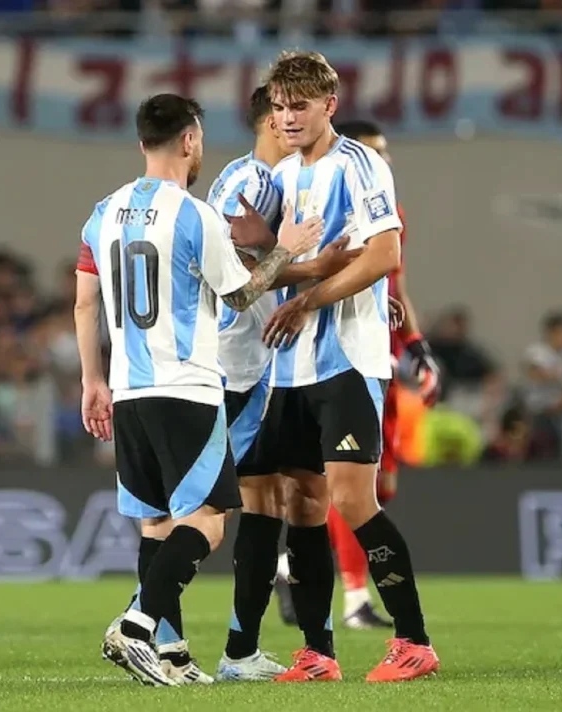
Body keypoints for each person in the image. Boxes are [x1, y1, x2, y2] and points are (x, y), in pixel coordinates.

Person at [74, 93, 321, 687]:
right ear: (189, 141)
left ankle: (173, 653)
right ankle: (136, 627)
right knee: (208, 523)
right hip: (185, 387)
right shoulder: (194, 215)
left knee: (156, 524)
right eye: (200, 139)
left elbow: (85, 301)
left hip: (128, 389)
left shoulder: (102, 213)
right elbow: (241, 295)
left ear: (142, 143)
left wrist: (92, 381)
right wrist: (287, 246)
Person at [248, 51, 440, 682]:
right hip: (291, 367)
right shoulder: (287, 174)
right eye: (279, 107)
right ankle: (317, 653)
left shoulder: (361, 166)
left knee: (354, 501)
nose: (287, 118)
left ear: (329, 105)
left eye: (299, 105)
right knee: (302, 503)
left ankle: (413, 641)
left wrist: (308, 298)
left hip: (348, 363)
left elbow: (384, 257)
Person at [208, 86, 364, 682]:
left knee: (303, 501)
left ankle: (312, 649)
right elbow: (234, 269)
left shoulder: (307, 179)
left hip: (291, 367)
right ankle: (216, 643)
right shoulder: (248, 182)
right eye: (288, 111)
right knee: (250, 505)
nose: (296, 121)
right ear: (273, 118)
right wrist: (314, 266)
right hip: (244, 366)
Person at [287, 119, 438, 630]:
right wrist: (311, 297)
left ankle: (299, 573)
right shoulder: (327, 202)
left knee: (376, 487)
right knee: (345, 490)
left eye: (385, 152)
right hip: (334, 358)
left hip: (381, 356)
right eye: (373, 151)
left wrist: (416, 342)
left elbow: (395, 280)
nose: (382, 161)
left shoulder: (389, 213)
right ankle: (356, 603)